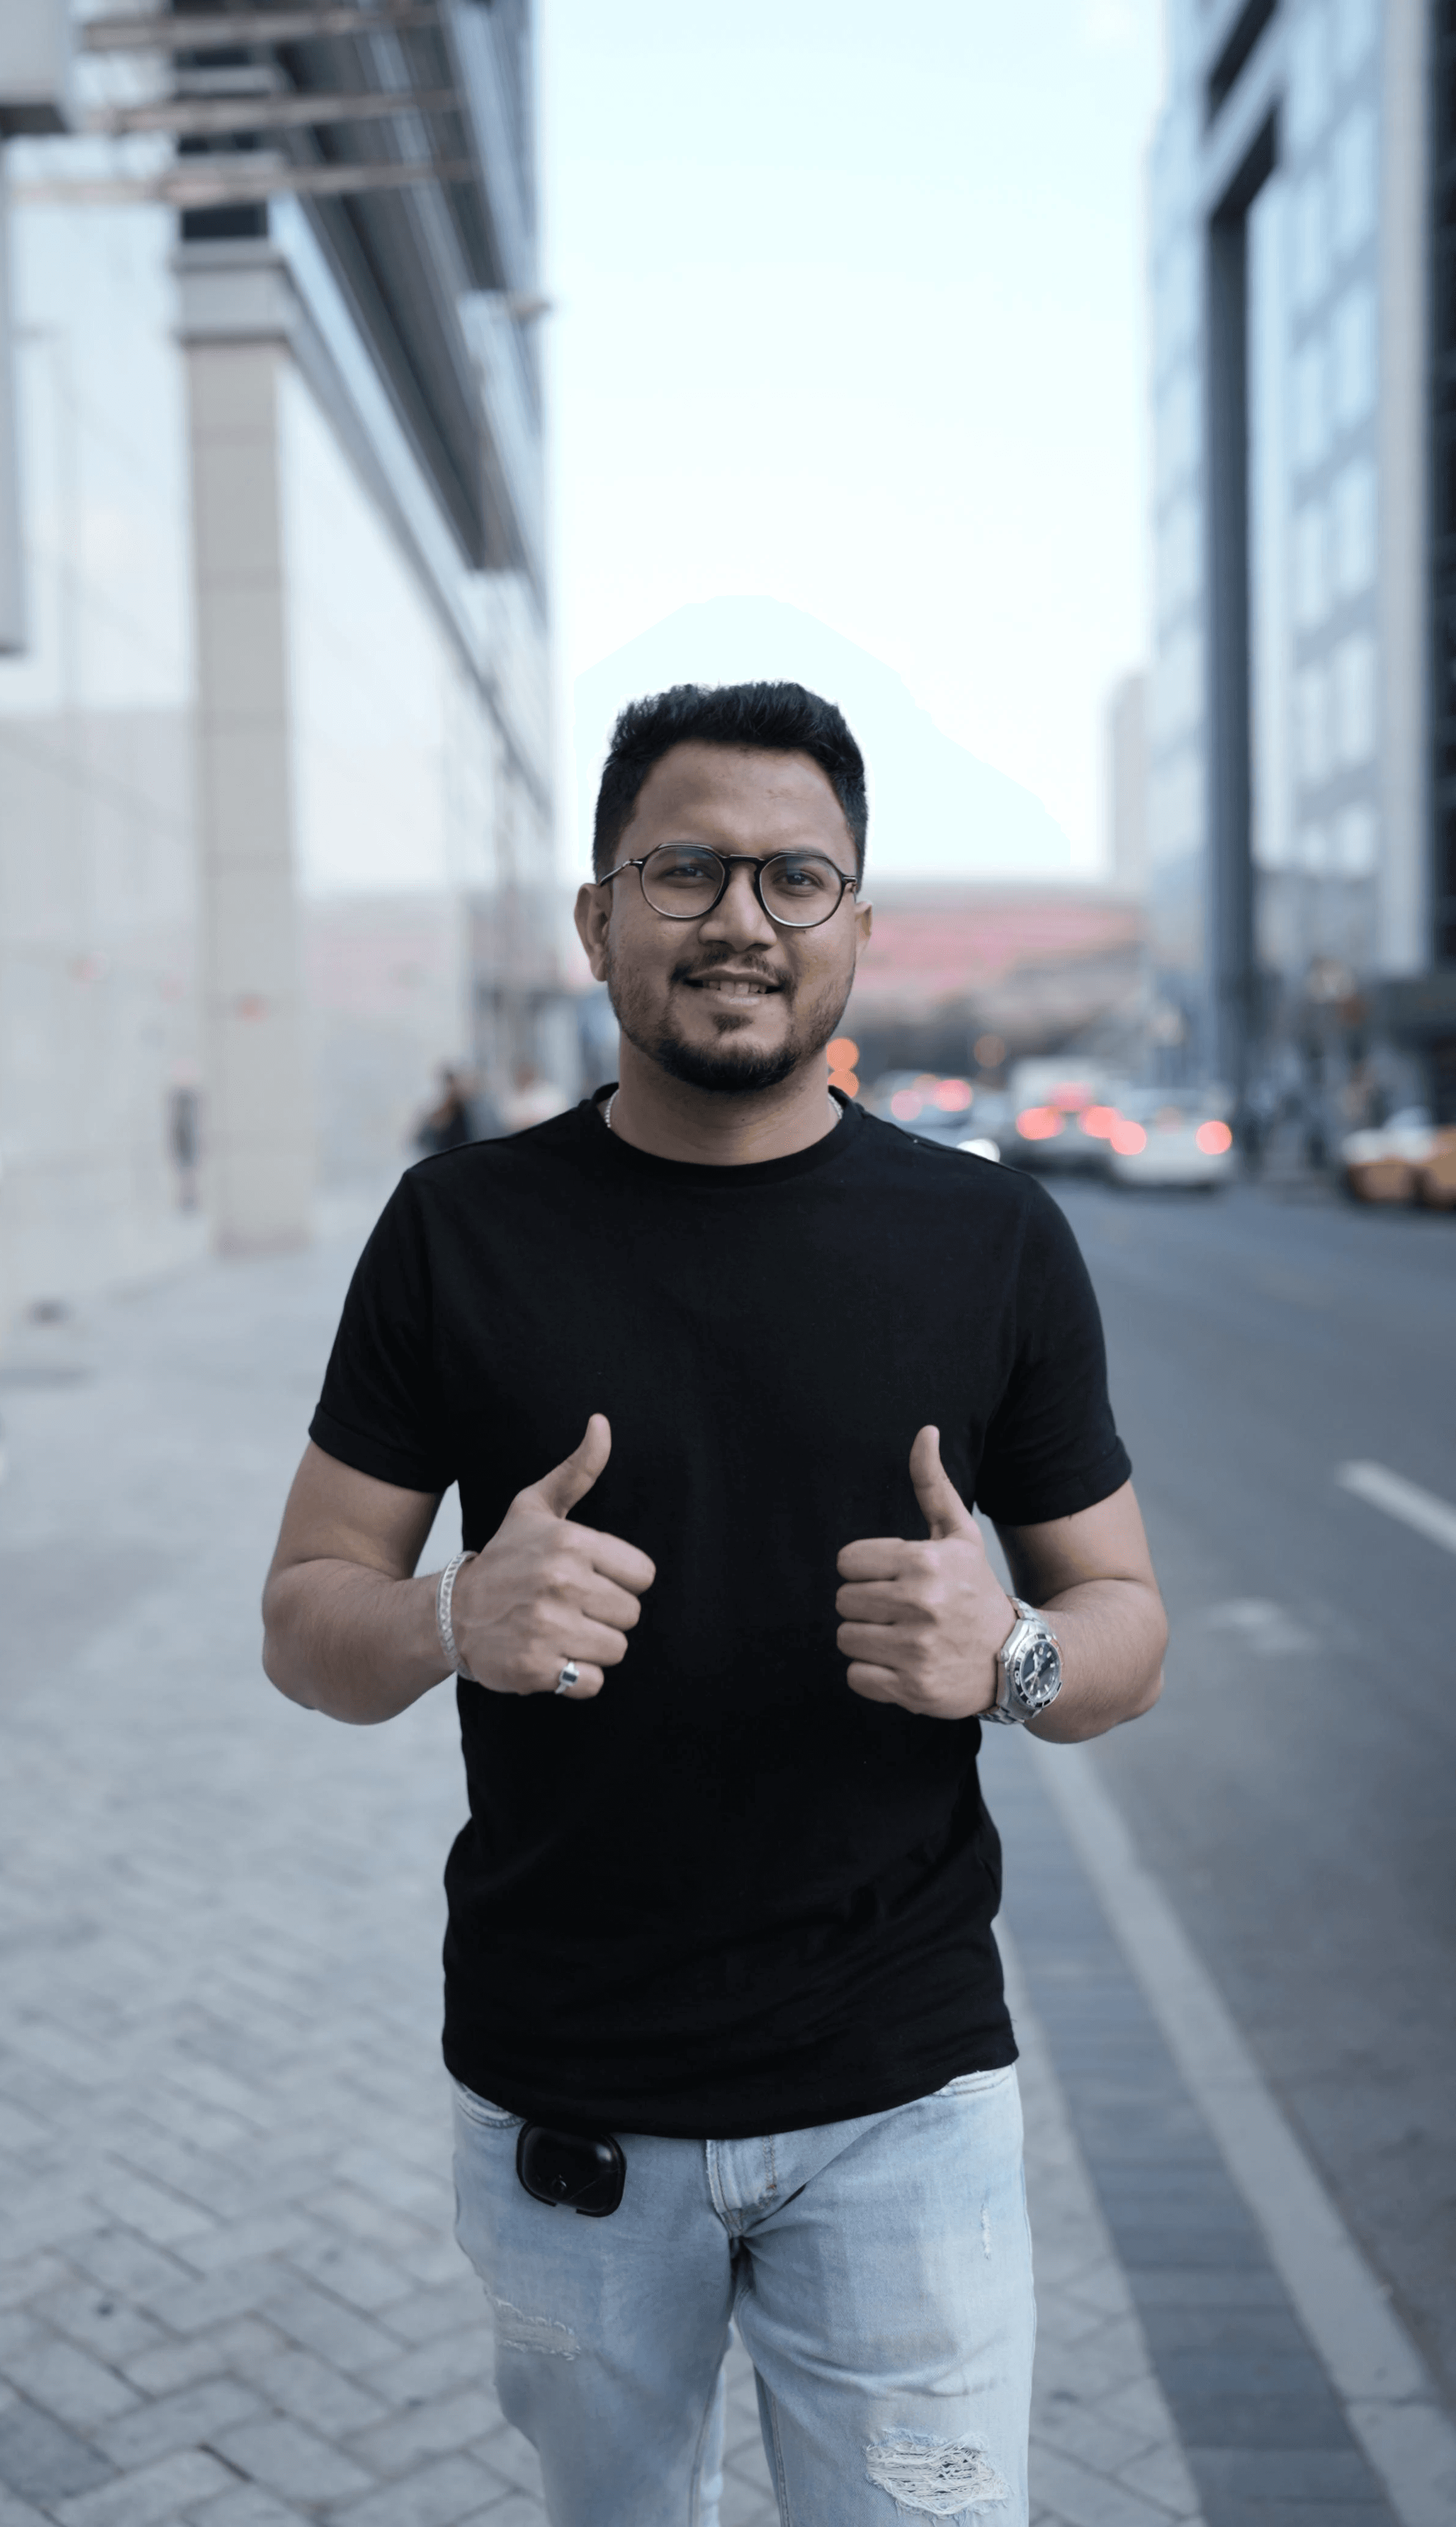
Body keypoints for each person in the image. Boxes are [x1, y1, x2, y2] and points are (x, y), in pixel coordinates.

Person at [262, 681, 1167, 2527]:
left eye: (792, 876)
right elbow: (303, 1615)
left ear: (854, 926)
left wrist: (1004, 1656)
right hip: (565, 2107)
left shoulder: (988, 1240)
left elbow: (1125, 1626)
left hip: (903, 2099)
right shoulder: (459, 1229)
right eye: (683, 870)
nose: (739, 917)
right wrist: (451, 1618)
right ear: (596, 921)